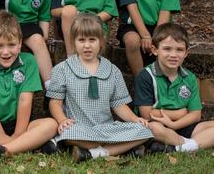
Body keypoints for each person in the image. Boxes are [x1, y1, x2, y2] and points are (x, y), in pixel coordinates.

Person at [47, 14, 153, 163]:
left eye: (92, 40)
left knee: (145, 130)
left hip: (107, 128)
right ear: (73, 42)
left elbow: (119, 105)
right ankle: (123, 148)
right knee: (68, 132)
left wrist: (135, 119)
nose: (87, 45)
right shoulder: (63, 69)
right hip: (79, 128)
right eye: (81, 40)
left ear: (101, 41)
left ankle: (94, 153)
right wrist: (62, 120)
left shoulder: (112, 70)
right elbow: (55, 102)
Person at [0, 11, 58, 162]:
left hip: (21, 125)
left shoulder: (29, 61)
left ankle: (2, 149)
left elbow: (25, 100)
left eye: (11, 45)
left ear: (20, 43)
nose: (6, 52)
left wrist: (18, 134)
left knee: (51, 124)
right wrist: (5, 135)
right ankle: (26, 145)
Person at [134, 23, 214, 153]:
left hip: (183, 125)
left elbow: (196, 115)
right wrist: (180, 113)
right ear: (154, 50)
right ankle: (197, 143)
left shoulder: (189, 77)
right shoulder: (145, 76)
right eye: (167, 49)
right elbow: (147, 114)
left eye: (179, 50)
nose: (174, 55)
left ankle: (179, 147)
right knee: (152, 128)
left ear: (186, 53)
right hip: (158, 125)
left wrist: (174, 124)